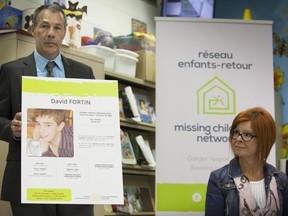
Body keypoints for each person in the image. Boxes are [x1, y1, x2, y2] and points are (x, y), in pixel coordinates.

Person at [0, 3, 124, 216]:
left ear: (64, 33)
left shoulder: (84, 72)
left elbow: (92, 118)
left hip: (77, 182)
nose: (51, 33)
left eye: (58, 28)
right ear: (33, 29)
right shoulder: (11, 71)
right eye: (44, 26)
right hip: (28, 181)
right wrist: (12, 128)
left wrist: (111, 132)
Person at [205, 107, 288, 216]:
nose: (238, 139)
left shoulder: (280, 179)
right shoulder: (219, 178)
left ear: (264, 140)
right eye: (235, 132)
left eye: (247, 135)